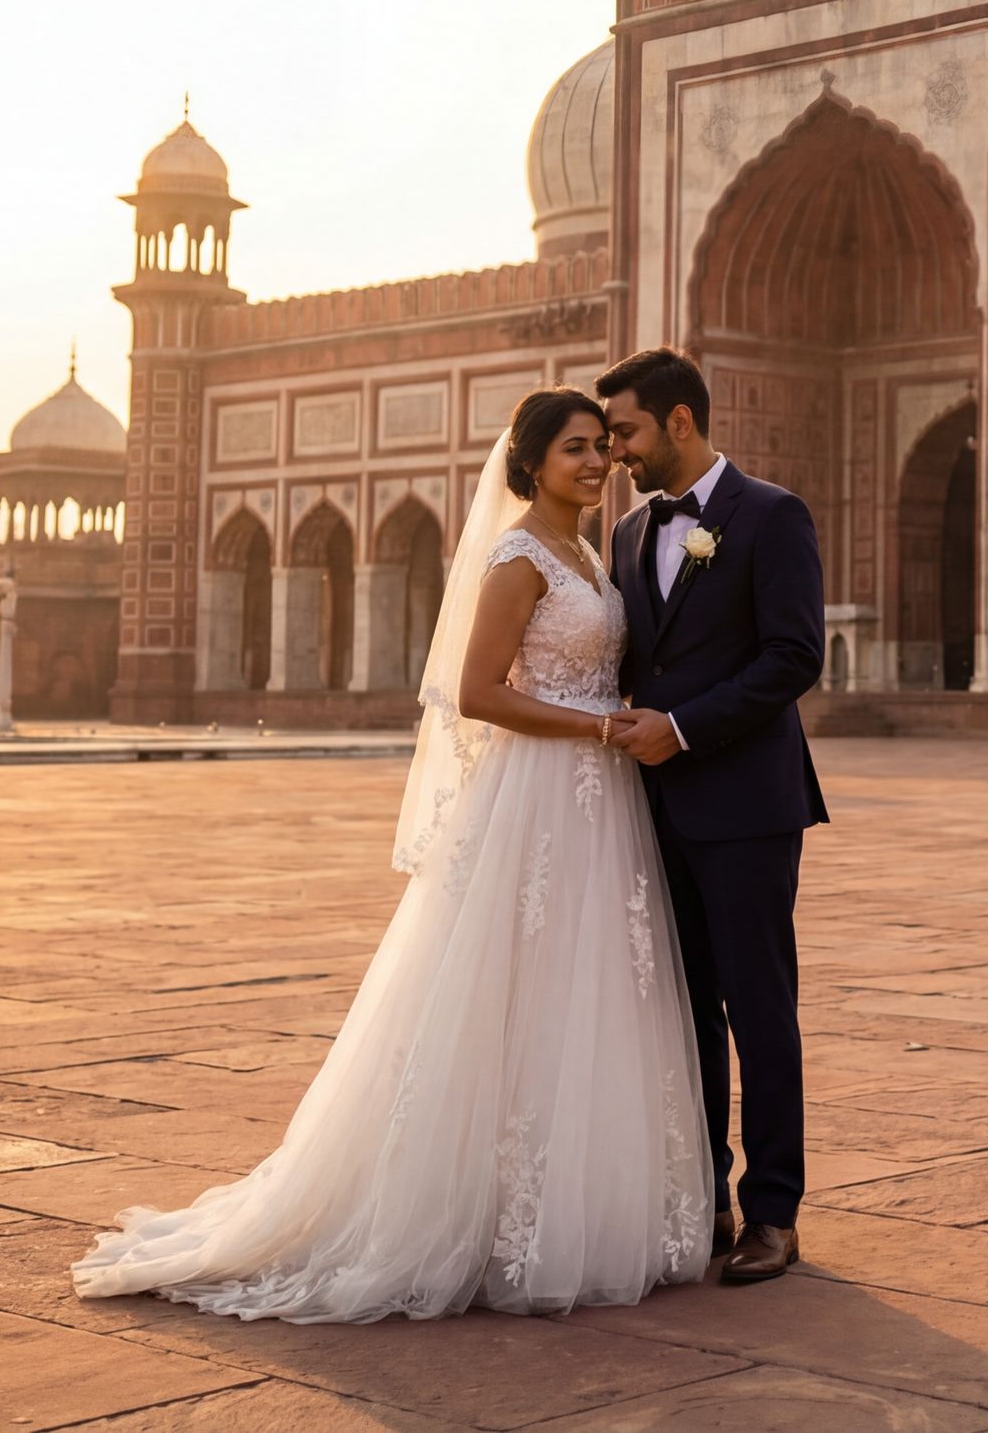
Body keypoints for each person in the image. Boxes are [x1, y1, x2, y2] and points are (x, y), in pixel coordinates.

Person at [69, 387, 710, 1320]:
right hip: (541, 792)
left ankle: (580, 1204)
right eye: (575, 449)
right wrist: (598, 728)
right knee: (510, 991)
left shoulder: (591, 553)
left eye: (600, 448)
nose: (596, 463)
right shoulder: (519, 556)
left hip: (598, 801)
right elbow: (478, 691)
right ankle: (484, 1216)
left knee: (587, 991)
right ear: (529, 464)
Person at [595, 347, 827, 1285]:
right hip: (654, 809)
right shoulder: (624, 534)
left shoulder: (770, 515)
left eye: (627, 432)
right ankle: (707, 1197)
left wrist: (683, 729)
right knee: (684, 1012)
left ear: (680, 421)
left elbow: (792, 656)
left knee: (758, 1009)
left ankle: (774, 1210)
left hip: (744, 803)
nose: (616, 452)